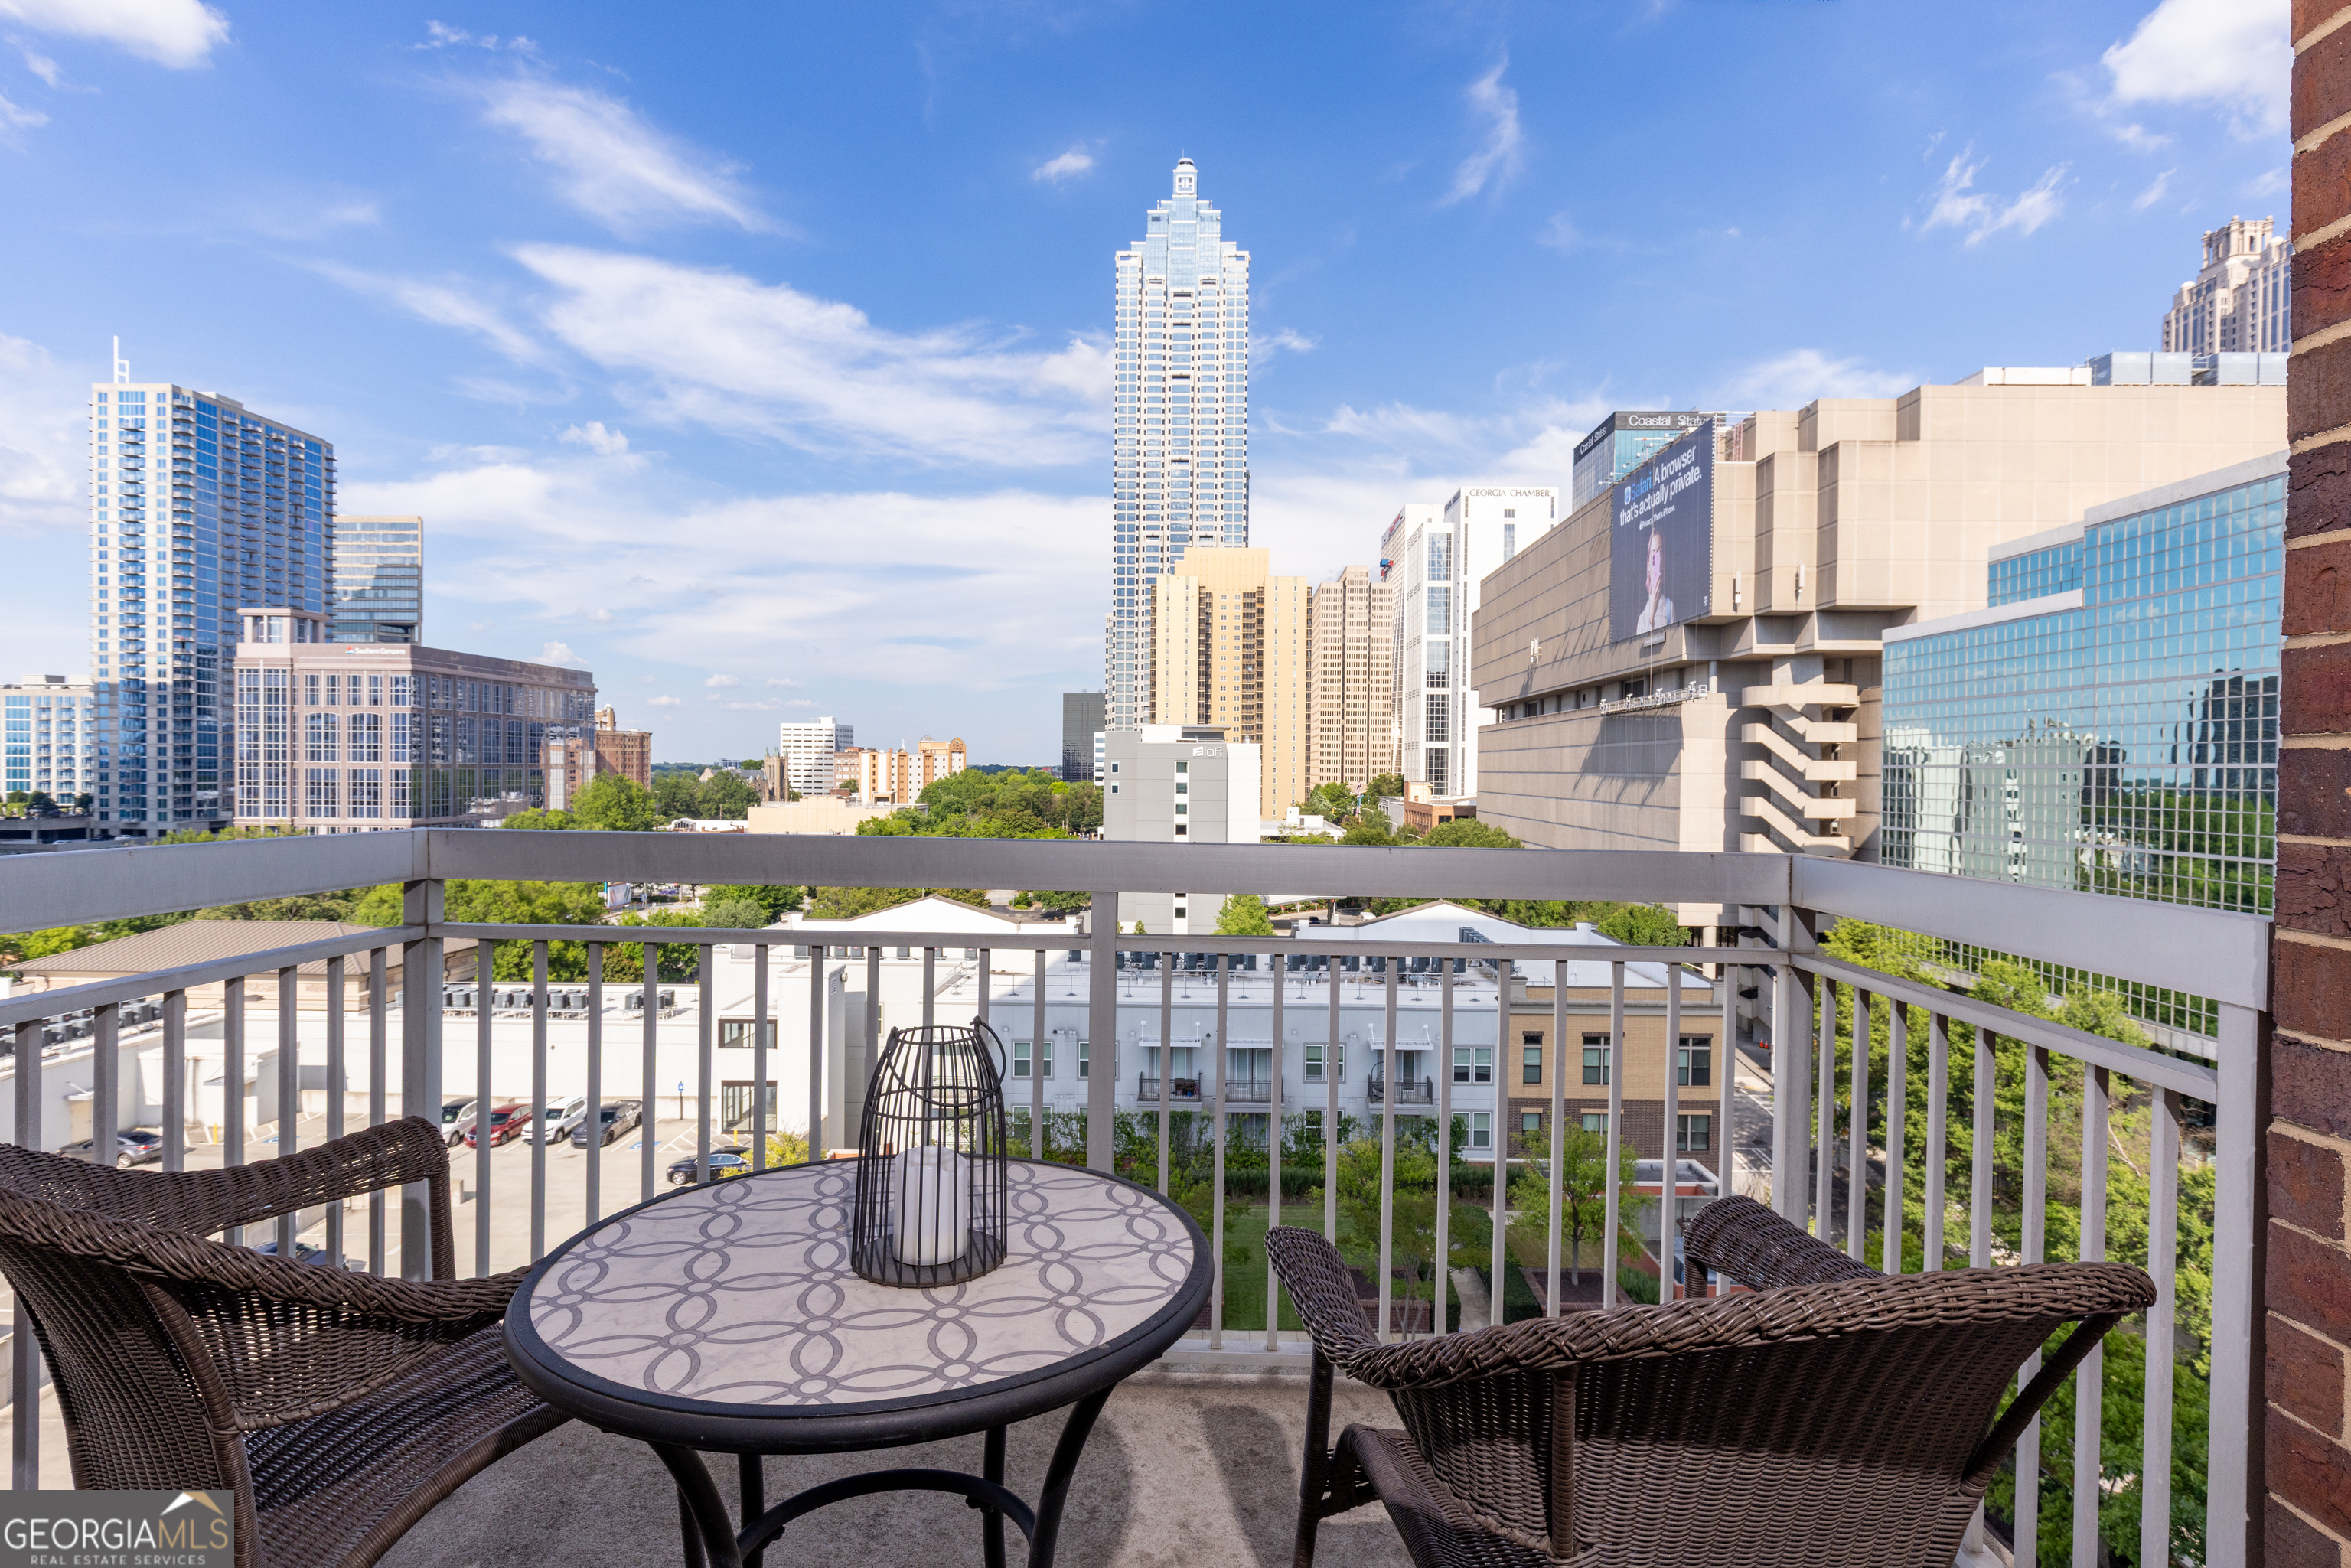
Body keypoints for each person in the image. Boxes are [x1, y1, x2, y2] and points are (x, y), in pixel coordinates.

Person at [1635, 527, 1674, 633]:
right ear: (1648, 565)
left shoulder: (1669, 607)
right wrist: (1651, 616)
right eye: (1653, 555)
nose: (1656, 560)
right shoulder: (1643, 617)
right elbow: (1643, 642)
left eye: (1659, 554)